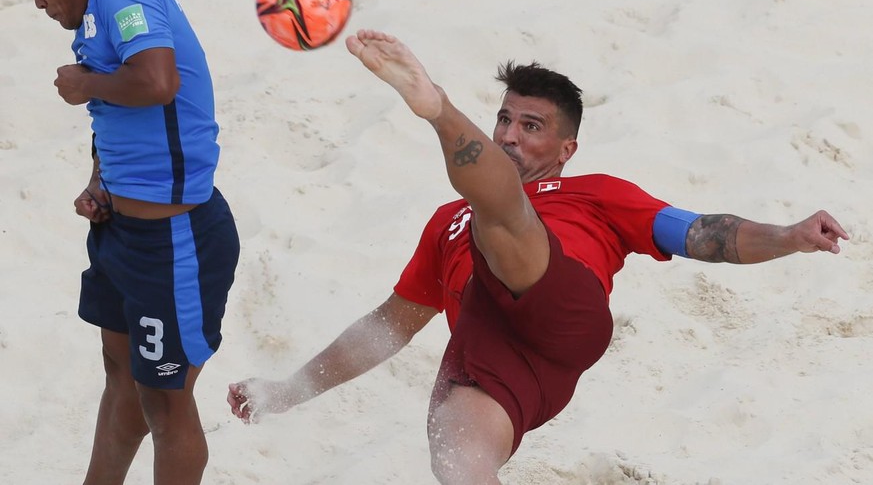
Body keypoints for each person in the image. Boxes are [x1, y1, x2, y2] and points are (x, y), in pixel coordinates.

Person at [228, 30, 848, 484]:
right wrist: (288, 390)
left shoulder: (595, 193)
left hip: (560, 303)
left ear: (565, 146)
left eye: (531, 126)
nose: (509, 135)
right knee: (455, 457)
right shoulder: (447, 224)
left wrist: (790, 235)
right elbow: (386, 329)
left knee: (501, 222)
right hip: (497, 355)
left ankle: (434, 106)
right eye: (503, 120)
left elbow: (705, 234)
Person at [14, 0, 239, 485]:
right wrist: (100, 179)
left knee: (165, 404)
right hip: (123, 231)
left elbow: (158, 81)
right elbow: (114, 111)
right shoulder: (103, 1)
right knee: (120, 378)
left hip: (176, 241)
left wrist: (84, 83)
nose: (38, 2)